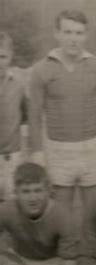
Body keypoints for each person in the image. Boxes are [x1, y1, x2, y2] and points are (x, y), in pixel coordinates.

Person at [29, 10, 96, 213]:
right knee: (60, 216)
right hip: (58, 151)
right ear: (57, 33)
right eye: (68, 32)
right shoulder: (41, 69)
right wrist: (38, 154)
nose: (74, 39)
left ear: (86, 35)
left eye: (79, 33)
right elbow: (34, 116)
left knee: (95, 215)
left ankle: (89, 246)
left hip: (91, 149)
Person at [0, 162, 81, 265]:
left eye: (38, 190)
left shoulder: (62, 215)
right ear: (16, 192)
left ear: (48, 191)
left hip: (53, 263)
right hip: (23, 260)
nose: (32, 198)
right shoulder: (7, 209)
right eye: (26, 191)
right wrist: (8, 261)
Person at [0, 31, 30, 202]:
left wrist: (24, 149)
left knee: (12, 205)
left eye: (2, 56)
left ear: (10, 57)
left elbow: (25, 117)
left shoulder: (18, 85)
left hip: (11, 157)